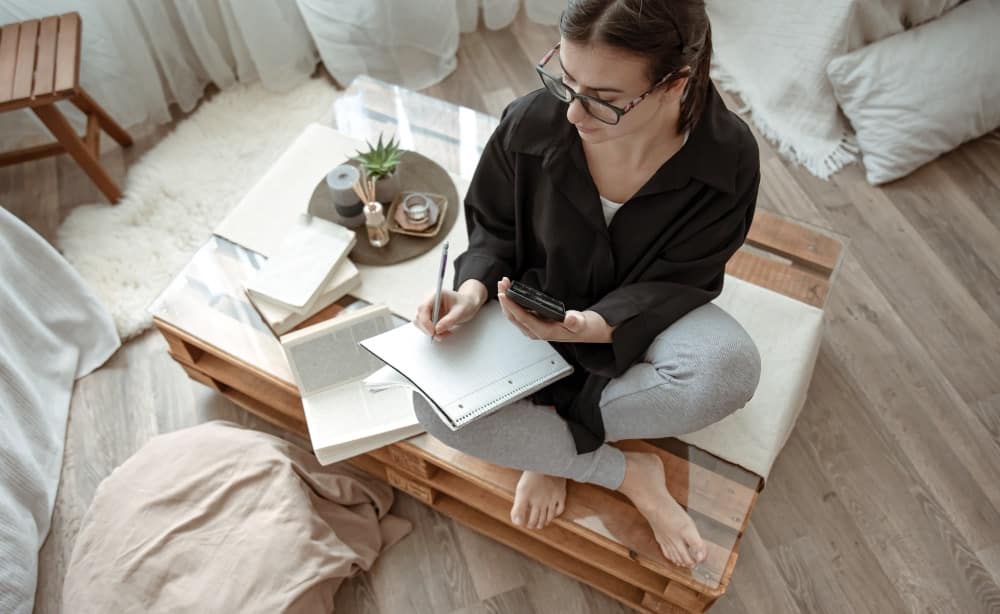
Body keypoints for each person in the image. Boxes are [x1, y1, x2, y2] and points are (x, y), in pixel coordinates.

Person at [414, 0, 761, 569]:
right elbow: (494, 230)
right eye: (565, 79)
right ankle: (625, 471)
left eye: (602, 98)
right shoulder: (531, 122)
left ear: (676, 84)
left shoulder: (728, 159)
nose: (574, 113)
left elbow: (687, 277)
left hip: (642, 322)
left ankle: (547, 442)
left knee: (728, 370)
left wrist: (599, 325)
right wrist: (471, 292)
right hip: (529, 310)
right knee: (431, 407)